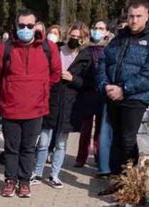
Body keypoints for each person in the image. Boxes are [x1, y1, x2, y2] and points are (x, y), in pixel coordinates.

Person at [0, 8, 62, 199]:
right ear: (16, 26)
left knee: (29, 148)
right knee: (12, 148)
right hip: (11, 108)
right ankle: (10, 181)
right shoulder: (4, 48)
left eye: (29, 26)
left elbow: (55, 74)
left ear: (35, 26)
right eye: (21, 25)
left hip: (36, 109)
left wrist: (41, 88)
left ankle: (24, 182)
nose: (25, 29)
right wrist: (8, 89)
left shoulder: (49, 48)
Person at [96, 0, 149, 192]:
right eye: (131, 16)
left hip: (135, 98)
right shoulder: (119, 39)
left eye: (138, 16)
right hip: (112, 95)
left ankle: (129, 184)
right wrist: (105, 85)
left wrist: (124, 89)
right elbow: (103, 62)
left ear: (146, 17)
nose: (134, 20)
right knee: (115, 139)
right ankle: (117, 181)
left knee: (127, 139)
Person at [34, 23, 92, 189]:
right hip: (51, 100)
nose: (74, 39)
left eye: (78, 37)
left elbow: (88, 83)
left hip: (70, 105)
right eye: (72, 36)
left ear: (83, 39)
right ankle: (37, 172)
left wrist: (72, 78)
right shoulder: (55, 50)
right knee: (43, 141)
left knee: (60, 143)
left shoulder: (85, 57)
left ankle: (54, 174)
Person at [72, 19, 109, 169]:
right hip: (87, 93)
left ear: (106, 32)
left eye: (101, 28)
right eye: (95, 27)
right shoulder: (85, 49)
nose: (97, 31)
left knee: (101, 129)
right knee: (85, 128)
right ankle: (81, 157)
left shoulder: (110, 49)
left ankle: (99, 157)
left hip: (102, 94)